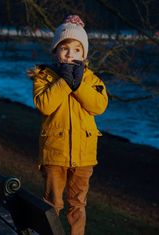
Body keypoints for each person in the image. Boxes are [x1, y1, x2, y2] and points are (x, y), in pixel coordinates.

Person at [30, 15, 108, 235]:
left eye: (76, 50)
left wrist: (79, 83)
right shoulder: (44, 77)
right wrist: (64, 82)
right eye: (64, 48)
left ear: (84, 54)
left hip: (84, 155)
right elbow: (44, 105)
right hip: (54, 152)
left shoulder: (91, 79)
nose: (70, 54)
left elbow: (98, 106)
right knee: (52, 203)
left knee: (78, 203)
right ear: (55, 51)